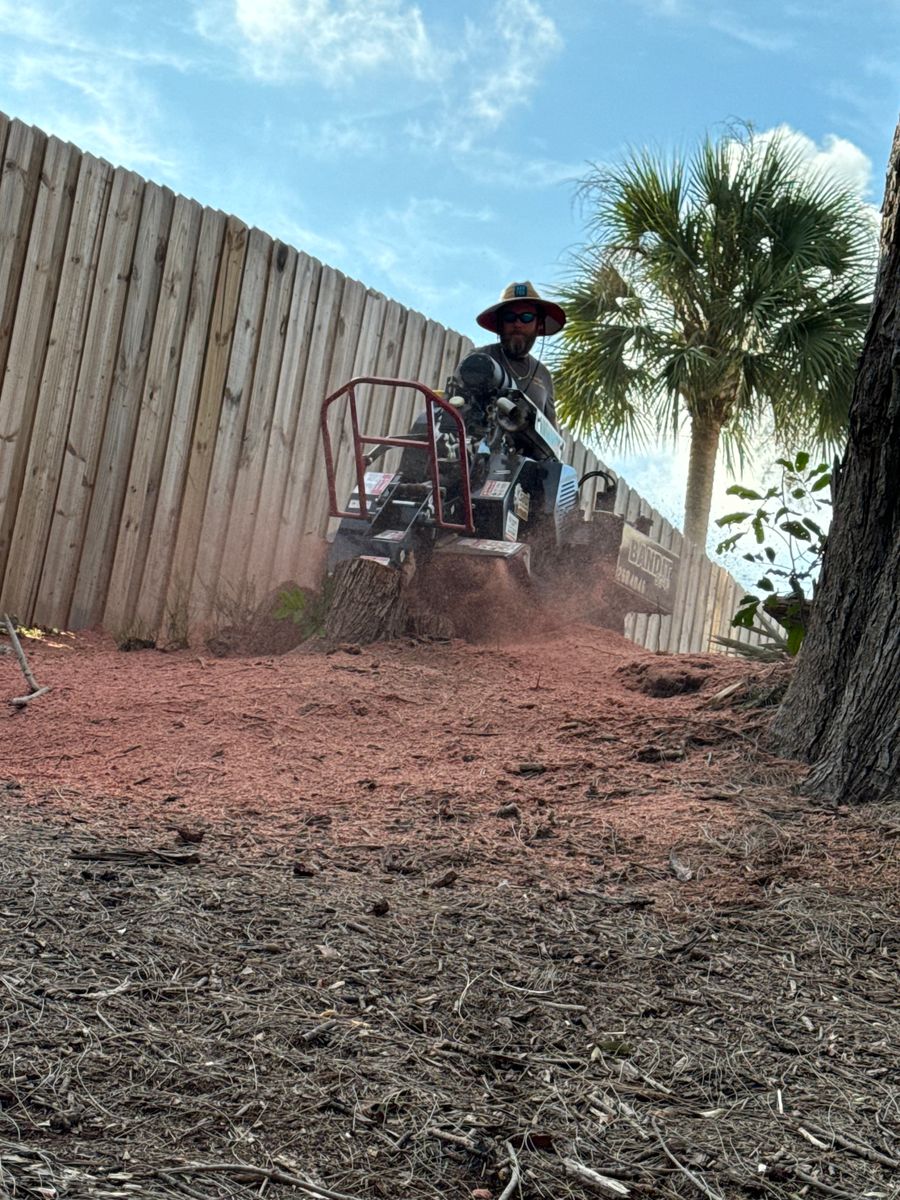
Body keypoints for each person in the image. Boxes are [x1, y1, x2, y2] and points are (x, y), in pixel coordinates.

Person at [469, 280, 567, 427]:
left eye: (526, 317)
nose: (518, 324)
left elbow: (551, 438)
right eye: (509, 317)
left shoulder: (543, 375)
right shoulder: (479, 359)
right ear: (500, 323)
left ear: (539, 324)